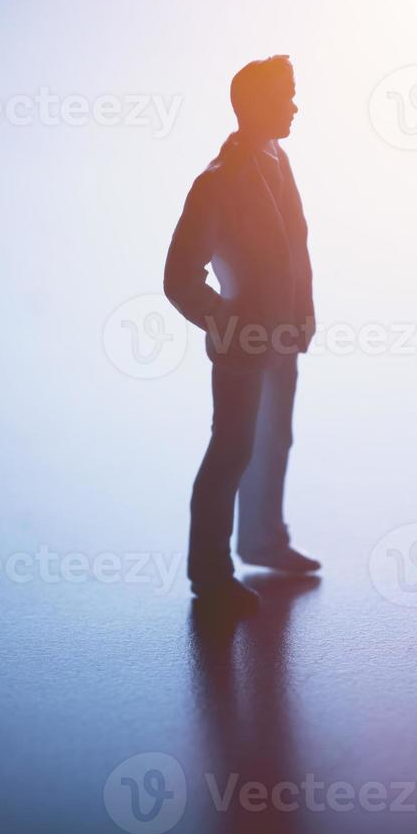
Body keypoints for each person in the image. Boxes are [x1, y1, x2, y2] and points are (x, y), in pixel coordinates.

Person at [164, 55, 321, 614]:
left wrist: (302, 314)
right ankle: (209, 573)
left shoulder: (278, 158)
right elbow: (180, 279)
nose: (296, 106)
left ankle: (262, 539)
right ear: (256, 104)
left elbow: (293, 246)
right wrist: (231, 324)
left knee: (274, 439)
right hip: (243, 345)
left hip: (282, 338)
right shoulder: (218, 182)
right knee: (230, 451)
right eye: (286, 96)